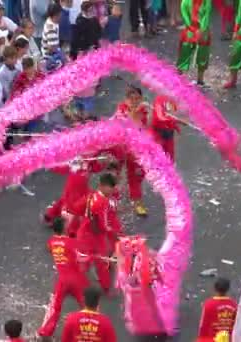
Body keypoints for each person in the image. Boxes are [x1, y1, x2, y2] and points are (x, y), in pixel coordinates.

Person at [37, 218, 89, 339]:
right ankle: (88, 332)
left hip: (62, 280)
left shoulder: (51, 242)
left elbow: (52, 249)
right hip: (77, 279)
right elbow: (83, 257)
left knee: (55, 307)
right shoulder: (71, 242)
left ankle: (45, 331)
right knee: (87, 306)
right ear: (64, 228)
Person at [75, 174, 122, 294]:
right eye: (110, 187)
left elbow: (77, 207)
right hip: (95, 237)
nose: (112, 190)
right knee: (101, 263)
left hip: (83, 234)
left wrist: (86, 218)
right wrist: (115, 234)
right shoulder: (103, 202)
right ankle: (106, 288)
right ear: (102, 186)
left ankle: (78, 286)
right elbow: (103, 225)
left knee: (83, 261)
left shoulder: (91, 195)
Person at [114, 86, 150, 216]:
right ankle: (113, 199)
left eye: (137, 98)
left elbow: (141, 125)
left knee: (135, 175)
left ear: (141, 99)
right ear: (126, 99)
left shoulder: (144, 111)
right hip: (119, 147)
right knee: (115, 172)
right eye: (131, 98)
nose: (134, 101)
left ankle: (137, 201)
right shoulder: (121, 109)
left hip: (135, 149)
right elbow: (124, 122)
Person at [177, 0, 212, 86]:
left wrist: (202, 30)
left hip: (202, 30)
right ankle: (181, 75)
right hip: (190, 29)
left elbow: (206, 15)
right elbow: (184, 14)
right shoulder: (186, 1)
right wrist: (192, 28)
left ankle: (200, 79)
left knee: (203, 52)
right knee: (185, 49)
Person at [197, 277, 238, 341]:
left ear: (215, 288)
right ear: (228, 289)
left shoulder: (209, 304)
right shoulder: (234, 305)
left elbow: (203, 325)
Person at [151, 95, 181, 161]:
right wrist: (176, 120)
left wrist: (176, 126)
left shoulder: (174, 101)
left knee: (170, 158)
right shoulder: (159, 99)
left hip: (169, 134)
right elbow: (160, 117)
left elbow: (172, 115)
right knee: (158, 156)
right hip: (158, 133)